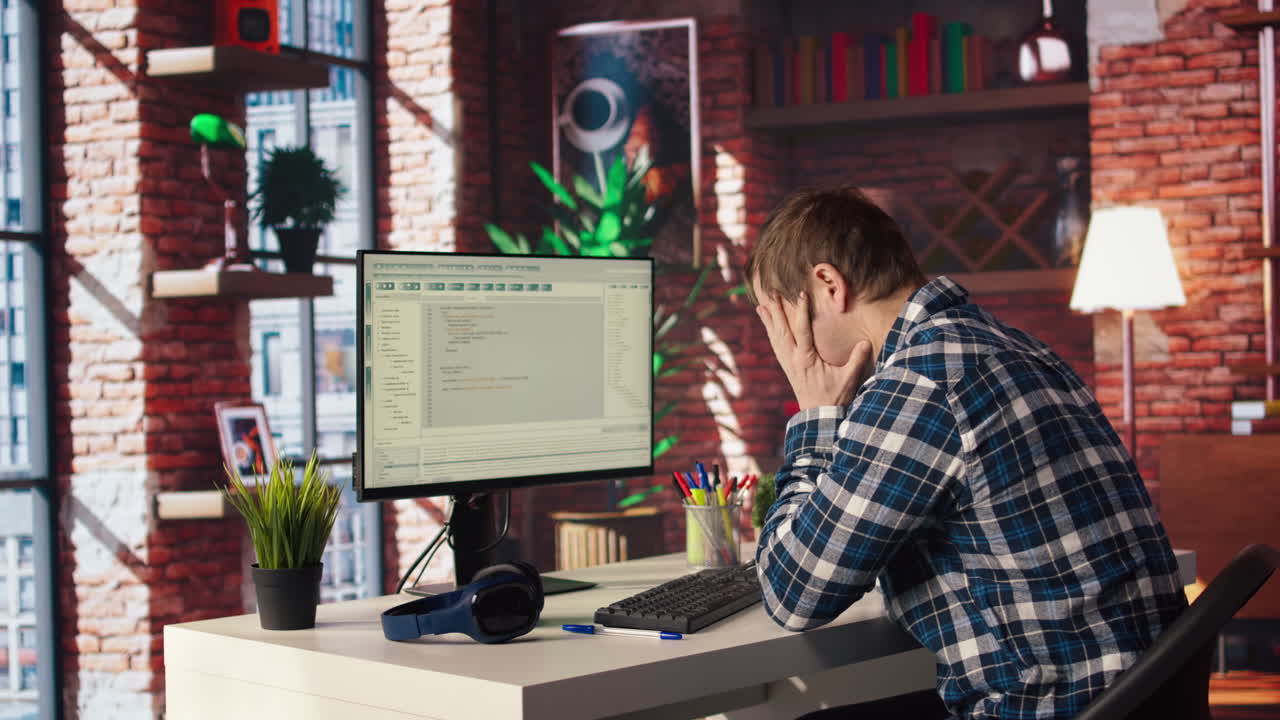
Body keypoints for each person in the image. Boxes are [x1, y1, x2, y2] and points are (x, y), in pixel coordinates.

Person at [745, 185, 1193, 719]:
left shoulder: (921, 380)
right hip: (1140, 694)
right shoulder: (1010, 343)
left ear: (828, 286)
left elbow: (794, 593)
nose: (787, 349)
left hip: (1051, 707)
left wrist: (815, 417)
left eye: (781, 321)